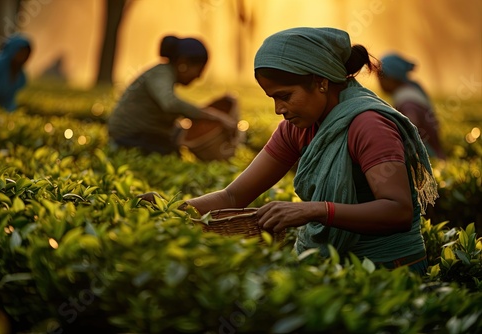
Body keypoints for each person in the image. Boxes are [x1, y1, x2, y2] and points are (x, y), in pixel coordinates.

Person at [141, 27, 439, 275]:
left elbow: (398, 210)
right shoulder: (297, 127)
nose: (277, 109)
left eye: (285, 96)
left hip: (390, 270)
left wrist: (313, 210)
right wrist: (170, 210)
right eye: (272, 98)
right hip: (332, 265)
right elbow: (234, 196)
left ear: (321, 82)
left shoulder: (368, 125)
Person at [108, 35, 237, 157]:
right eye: (199, 70)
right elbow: (170, 103)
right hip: (130, 137)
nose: (198, 77)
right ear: (183, 63)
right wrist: (214, 116)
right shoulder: (161, 73)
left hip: (143, 135)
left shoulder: (163, 74)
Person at [378, 53, 446, 160]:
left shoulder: (407, 102)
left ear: (391, 77)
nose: (379, 81)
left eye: (380, 76)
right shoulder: (409, 93)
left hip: (429, 161)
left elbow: (409, 131)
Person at [0, 34, 31, 111]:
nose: (23, 56)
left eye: (26, 54)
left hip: (2, 110)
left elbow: (10, 99)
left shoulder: (21, 76)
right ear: (12, 49)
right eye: (20, 52)